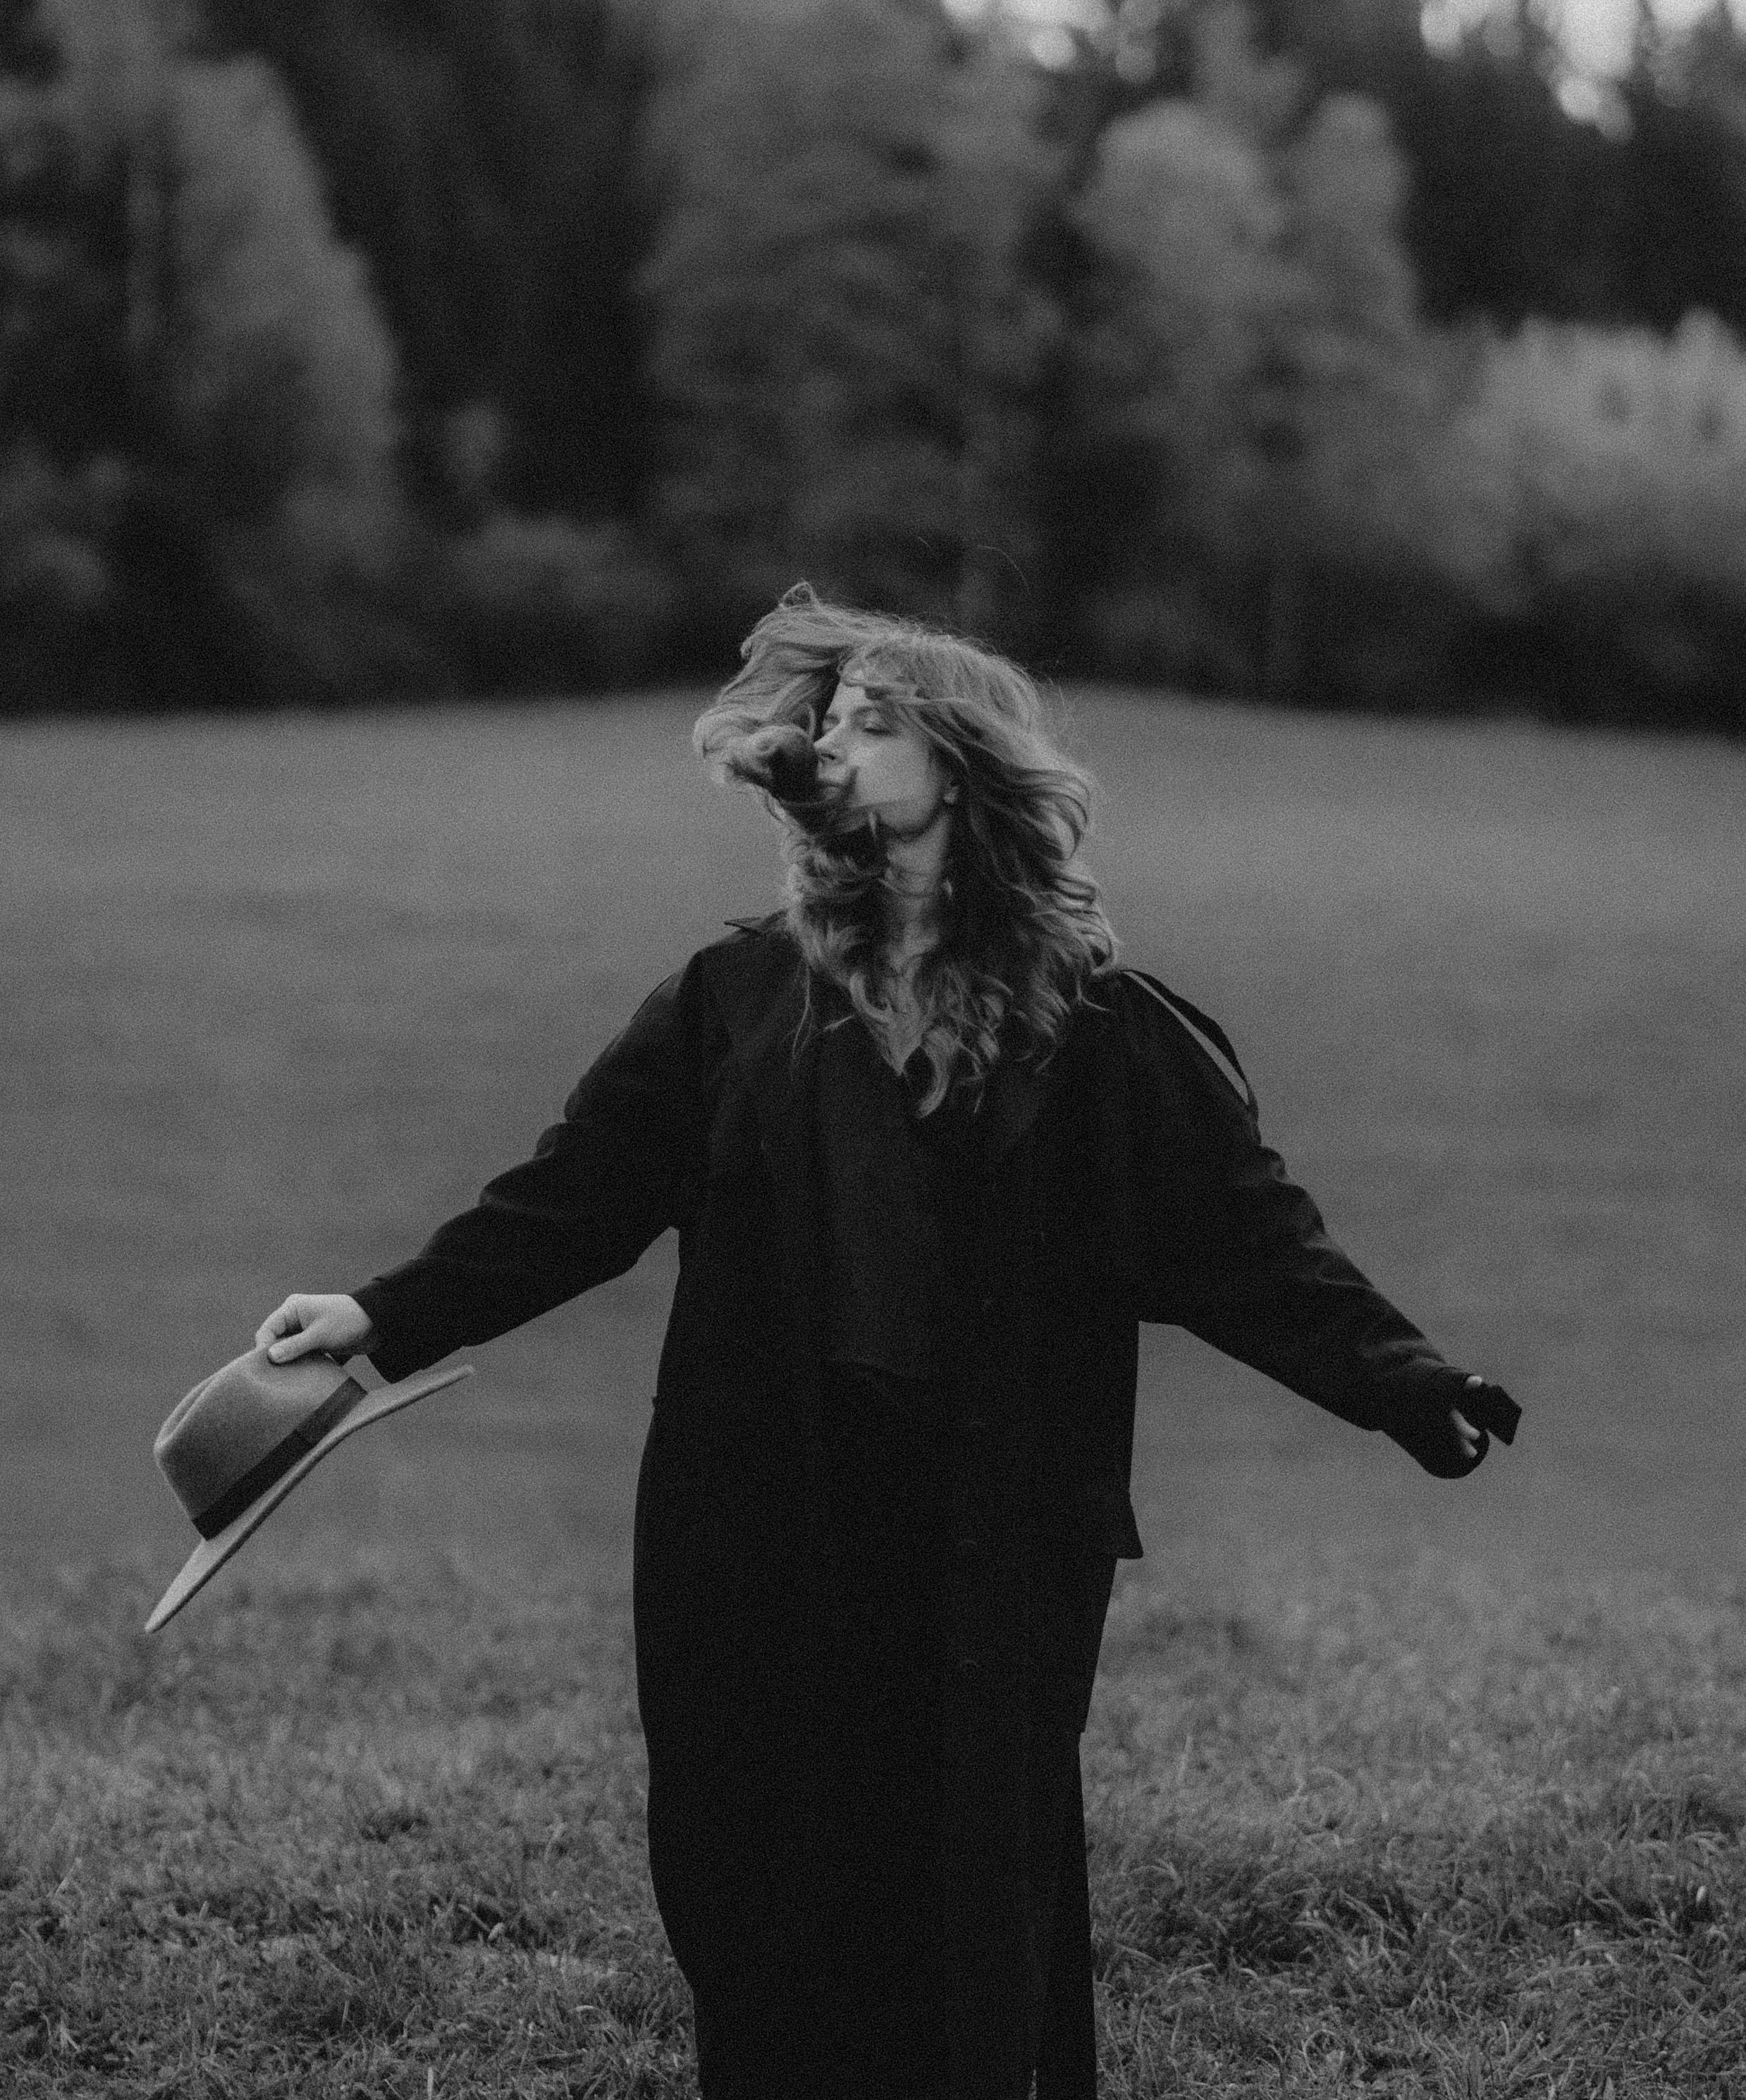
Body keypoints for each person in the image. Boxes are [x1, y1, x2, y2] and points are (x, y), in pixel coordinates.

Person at [258, 582, 1517, 2100]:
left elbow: (1252, 1241)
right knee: (765, 1887)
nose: (832, 743)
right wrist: (383, 1314)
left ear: (963, 762)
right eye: (828, 718)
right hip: (765, 1527)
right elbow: (566, 1202)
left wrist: (1407, 1384)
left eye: (873, 719)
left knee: (973, 1909)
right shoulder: (736, 1001)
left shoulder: (1100, 1030)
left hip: (989, 1540)